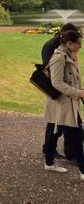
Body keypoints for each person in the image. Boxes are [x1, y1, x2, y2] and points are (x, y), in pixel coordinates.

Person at [44, 30, 84, 179]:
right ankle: (83, 171)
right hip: (62, 104)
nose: (80, 46)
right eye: (78, 43)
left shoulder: (68, 55)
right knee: (78, 135)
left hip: (66, 103)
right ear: (69, 43)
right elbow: (57, 82)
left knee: (54, 133)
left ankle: (48, 163)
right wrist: (77, 93)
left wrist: (78, 90)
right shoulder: (59, 58)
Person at [41, 23, 79, 161]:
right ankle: (53, 152)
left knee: (62, 123)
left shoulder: (66, 49)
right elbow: (50, 71)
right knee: (57, 123)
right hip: (57, 90)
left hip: (67, 91)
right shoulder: (51, 47)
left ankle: (60, 152)